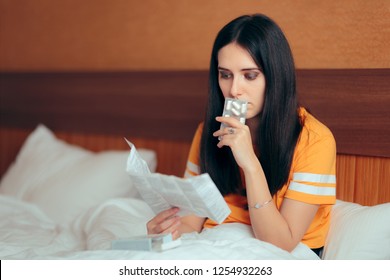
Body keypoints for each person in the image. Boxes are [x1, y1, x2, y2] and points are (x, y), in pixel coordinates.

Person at [147, 13, 336, 256]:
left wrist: (250, 164)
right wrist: (165, 234)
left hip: (281, 252)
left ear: (275, 76)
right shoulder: (209, 131)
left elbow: (280, 243)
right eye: (225, 75)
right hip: (213, 245)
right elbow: (191, 223)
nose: (234, 90)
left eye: (250, 75)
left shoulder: (315, 140)